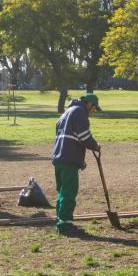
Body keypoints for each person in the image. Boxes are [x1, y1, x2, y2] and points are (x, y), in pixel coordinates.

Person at [51, 93, 102, 236]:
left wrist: (80, 160)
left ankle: (60, 220)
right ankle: (65, 224)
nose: (93, 112)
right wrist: (95, 146)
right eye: (94, 108)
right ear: (89, 104)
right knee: (69, 191)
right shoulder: (80, 112)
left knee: (62, 191)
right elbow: (84, 136)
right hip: (68, 159)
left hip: (59, 157)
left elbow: (71, 138)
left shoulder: (66, 113)